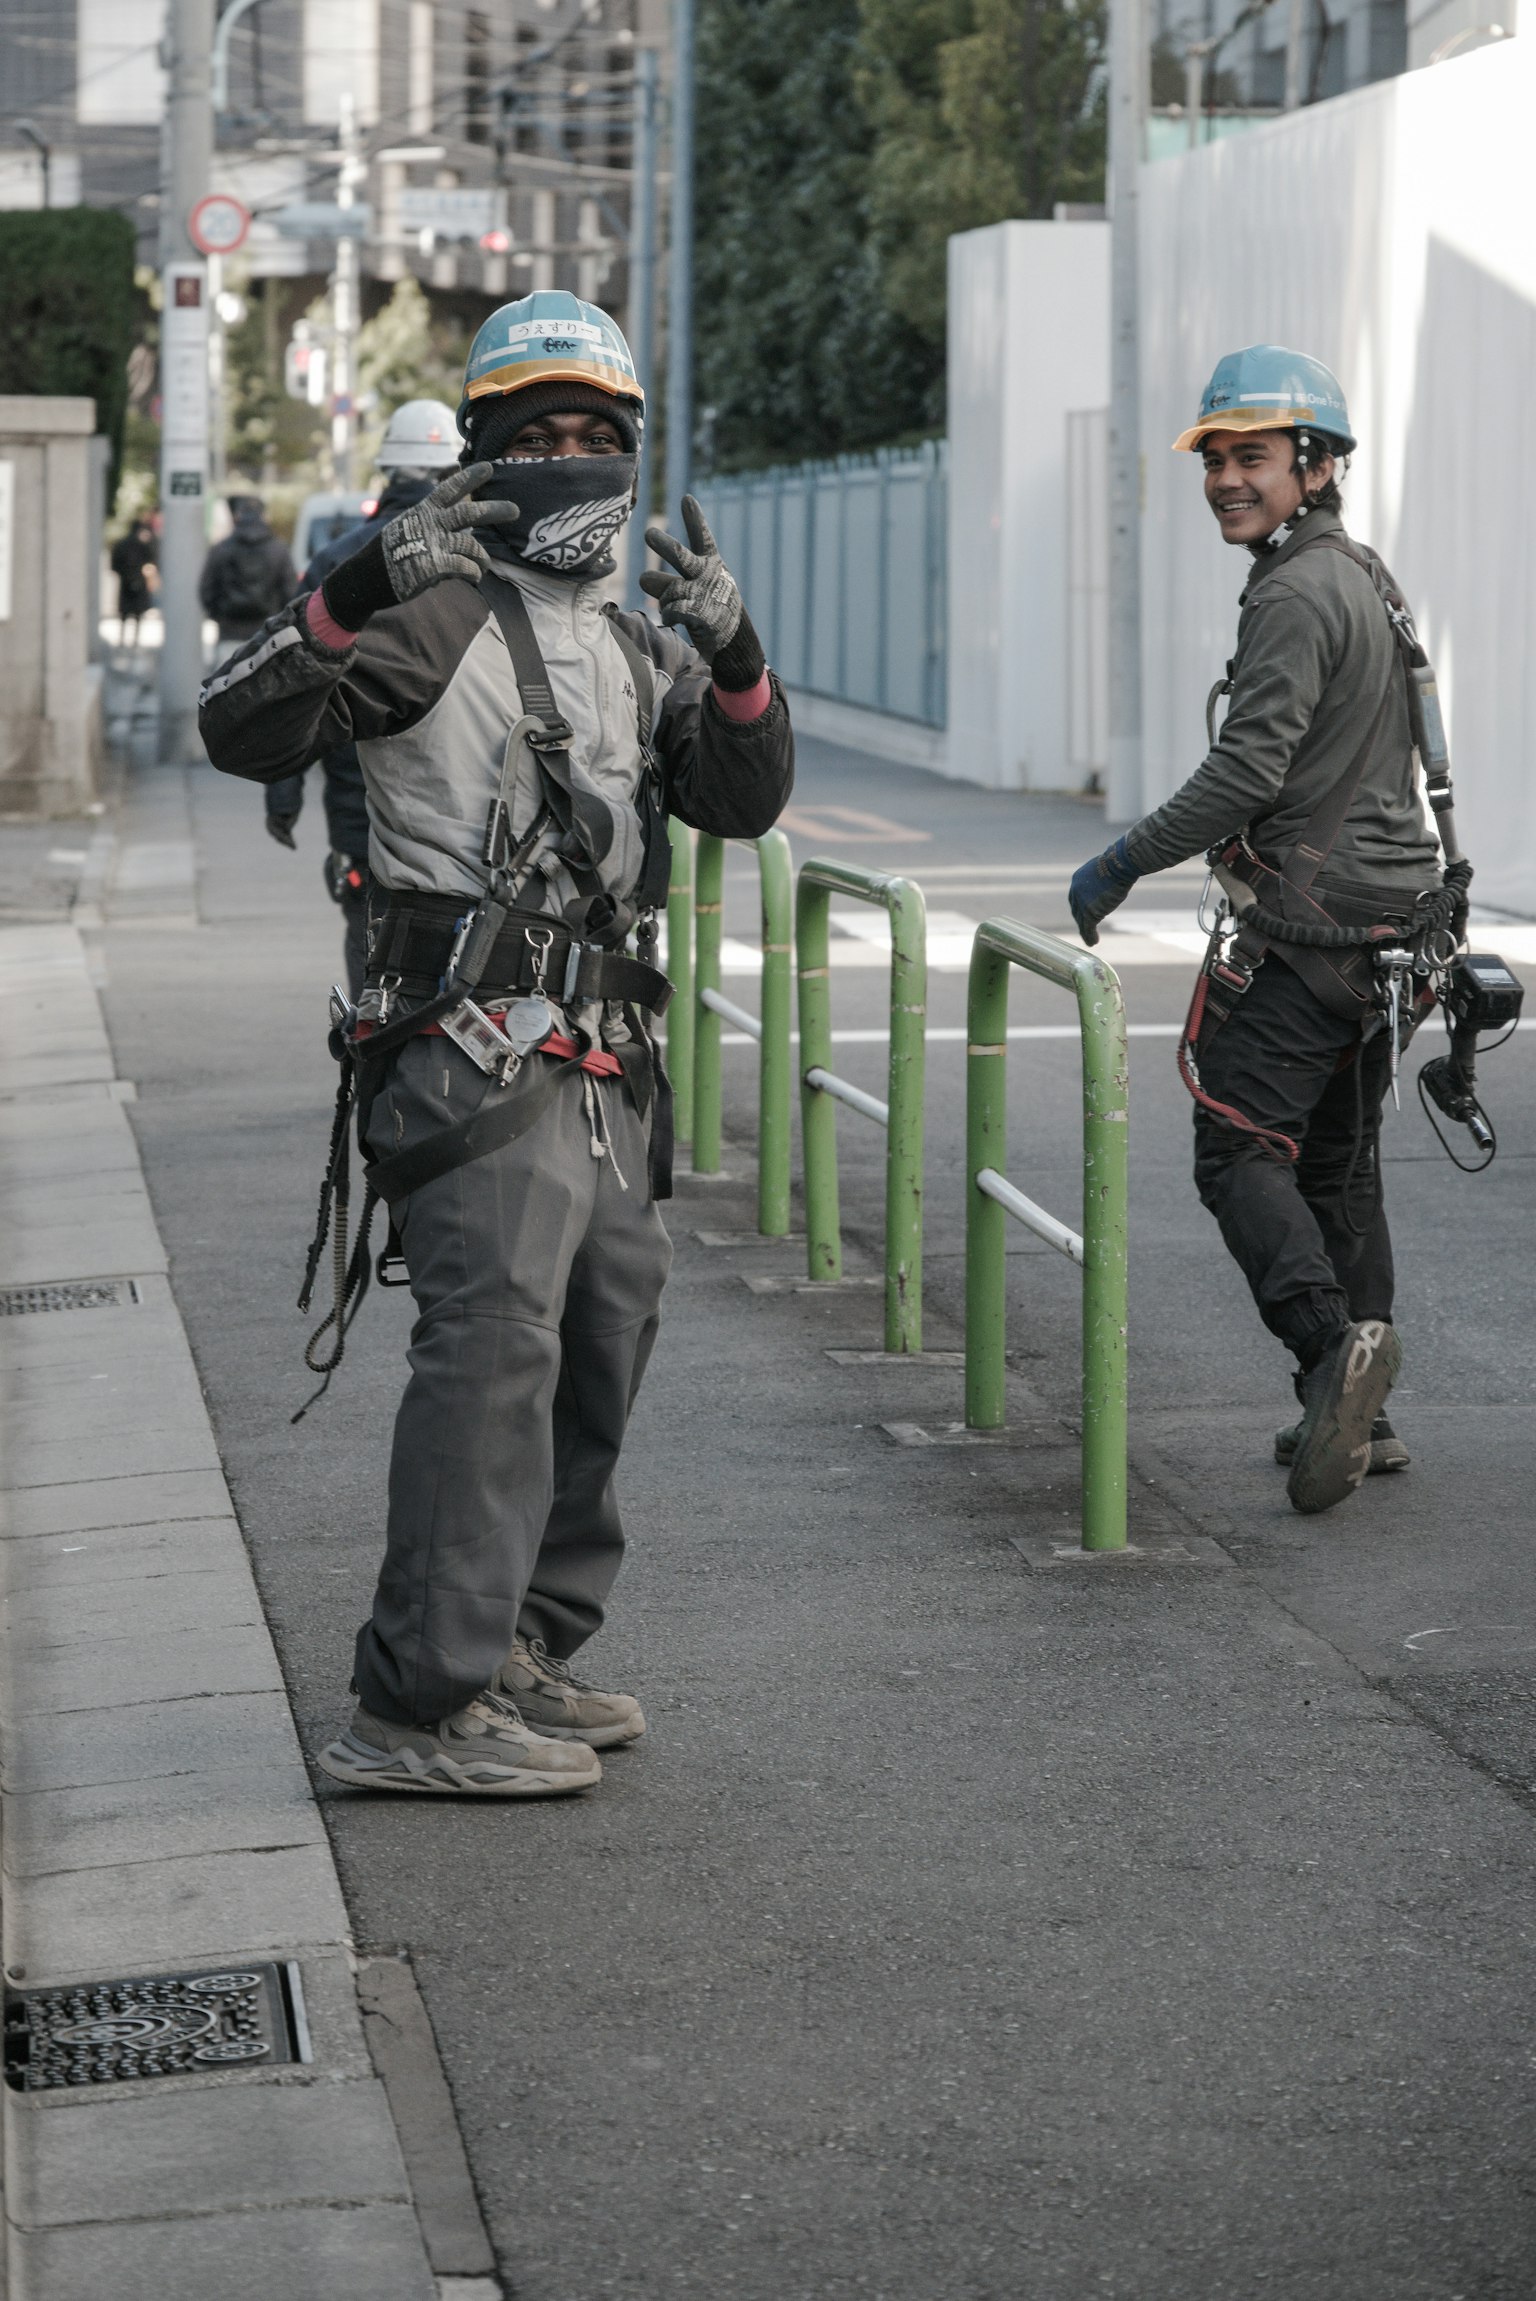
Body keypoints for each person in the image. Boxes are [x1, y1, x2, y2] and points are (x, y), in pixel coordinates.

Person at [198, 289, 793, 1798]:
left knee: (605, 1333)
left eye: (597, 435)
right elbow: (238, 725)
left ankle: (520, 1640)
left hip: (597, 1061)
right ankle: (417, 1699)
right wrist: (351, 582)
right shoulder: (430, 613)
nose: (570, 461)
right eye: (537, 438)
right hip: (463, 1051)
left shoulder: (629, 634)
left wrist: (736, 659)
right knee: (495, 1355)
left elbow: (737, 795)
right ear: (481, 456)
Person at [1068, 346, 1449, 1516]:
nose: (1228, 479)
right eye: (1217, 459)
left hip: (1315, 932)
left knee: (1237, 1149)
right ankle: (1363, 1416)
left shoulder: (1293, 589)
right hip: (1398, 929)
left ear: (1316, 464)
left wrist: (1123, 859)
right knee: (1335, 1164)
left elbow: (1247, 768)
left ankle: (1334, 1354)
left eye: (1254, 457)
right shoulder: (1364, 574)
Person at [266, 402, 466, 999]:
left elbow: (295, 676)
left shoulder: (337, 561)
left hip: (359, 791)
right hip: (468, 786)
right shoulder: (480, 559)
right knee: (470, 934)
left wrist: (283, 792)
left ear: (387, 471)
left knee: (370, 925)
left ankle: (374, 1070)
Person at [199, 494, 297, 651]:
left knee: (228, 674)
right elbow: (291, 592)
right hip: (267, 634)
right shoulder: (279, 550)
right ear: (264, 516)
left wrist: (219, 617)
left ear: (236, 516)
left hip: (229, 632)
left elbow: (206, 591)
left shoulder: (220, 549)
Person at [110, 516, 157, 644]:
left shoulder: (121, 545)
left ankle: (122, 639)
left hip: (125, 582)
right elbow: (151, 561)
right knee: (137, 614)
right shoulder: (142, 545)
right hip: (138, 581)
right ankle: (135, 639)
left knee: (124, 615)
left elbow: (114, 565)